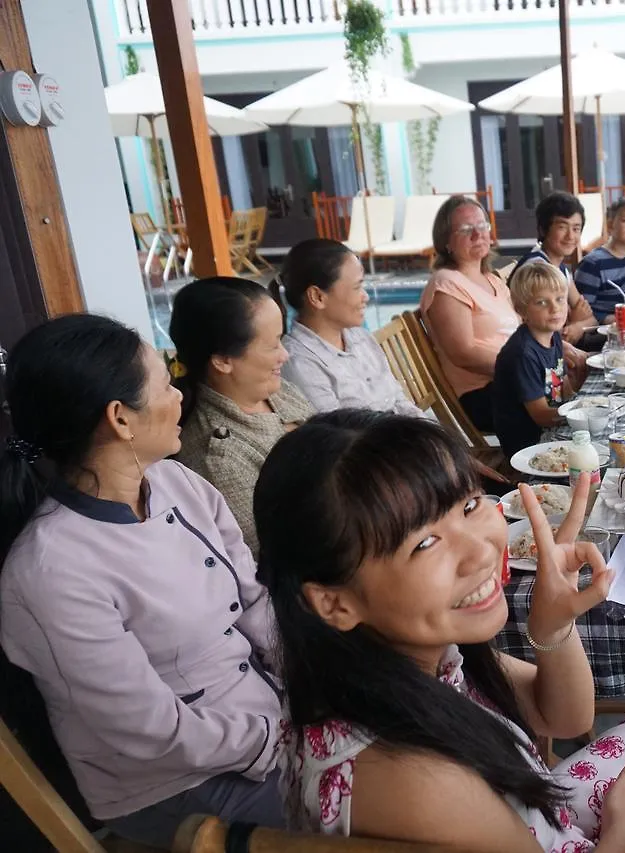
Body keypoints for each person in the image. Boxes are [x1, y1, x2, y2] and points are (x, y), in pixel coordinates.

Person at [254, 410, 625, 850]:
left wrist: (552, 624)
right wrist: (618, 829)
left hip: (537, 813)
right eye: (424, 544)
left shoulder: (403, 664)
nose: (482, 551)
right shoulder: (414, 781)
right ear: (333, 602)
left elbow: (565, 717)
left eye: (469, 507)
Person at [0, 315, 283, 848]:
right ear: (120, 419)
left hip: (265, 713)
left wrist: (319, 683)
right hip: (179, 783)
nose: (181, 397)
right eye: (166, 384)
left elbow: (251, 598)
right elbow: (150, 732)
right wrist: (276, 739)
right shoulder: (50, 570)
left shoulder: (176, 483)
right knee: (409, 803)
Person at [171, 276, 314, 557]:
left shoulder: (278, 391)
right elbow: (273, 552)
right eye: (273, 345)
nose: (284, 355)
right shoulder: (217, 459)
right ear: (223, 360)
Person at [274, 238, 422, 417]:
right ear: (318, 297)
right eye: (357, 287)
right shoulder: (300, 363)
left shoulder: (359, 336)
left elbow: (398, 399)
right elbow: (341, 436)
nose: (365, 296)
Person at [419, 195, 522, 433]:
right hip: (484, 394)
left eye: (482, 225)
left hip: (512, 381)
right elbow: (463, 353)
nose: (478, 234)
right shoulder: (446, 284)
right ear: (446, 242)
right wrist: (522, 367)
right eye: (466, 229)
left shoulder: (491, 279)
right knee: (564, 404)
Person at [491, 262, 578, 458]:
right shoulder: (522, 353)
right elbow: (541, 416)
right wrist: (578, 414)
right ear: (522, 310)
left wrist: (579, 402)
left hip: (552, 427)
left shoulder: (553, 335)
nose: (555, 308)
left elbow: (563, 385)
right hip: (528, 444)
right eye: (541, 302)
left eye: (560, 299)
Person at [513, 191, 603, 350]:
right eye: (562, 227)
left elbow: (591, 318)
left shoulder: (560, 269)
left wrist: (577, 326)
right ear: (542, 229)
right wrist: (575, 323)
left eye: (576, 229)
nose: (570, 236)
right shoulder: (537, 269)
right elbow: (547, 333)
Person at [575, 196, 625, 321]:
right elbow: (581, 312)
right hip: (602, 331)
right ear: (610, 225)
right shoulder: (593, 264)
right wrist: (611, 319)